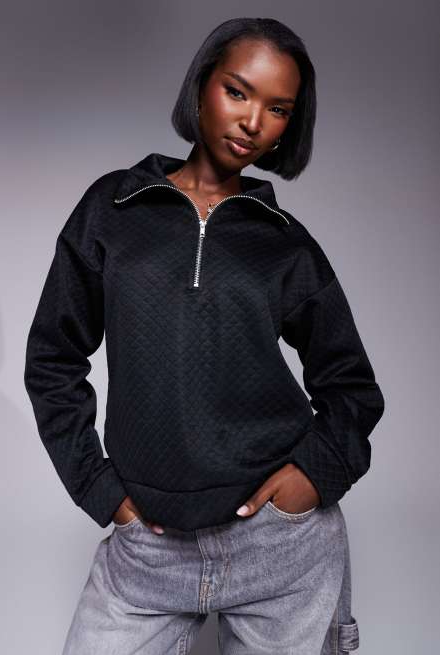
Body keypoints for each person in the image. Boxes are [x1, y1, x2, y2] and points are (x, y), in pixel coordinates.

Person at [24, 17, 384, 655]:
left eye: (278, 109)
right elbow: (53, 359)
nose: (253, 121)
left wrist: (314, 476)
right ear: (201, 87)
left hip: (282, 549)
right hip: (149, 550)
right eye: (237, 91)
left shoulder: (284, 244)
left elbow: (352, 386)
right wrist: (102, 493)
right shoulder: (113, 209)